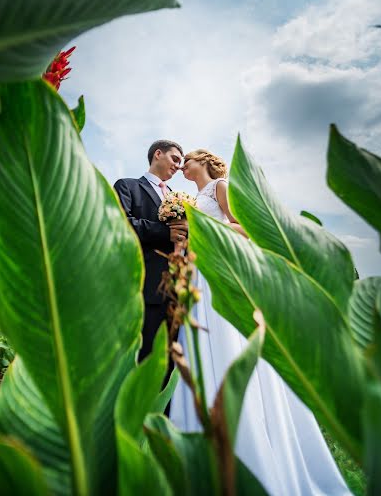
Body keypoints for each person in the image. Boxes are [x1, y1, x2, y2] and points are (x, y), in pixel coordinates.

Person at [170, 149, 350, 496]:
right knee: (199, 345)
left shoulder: (220, 186)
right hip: (198, 275)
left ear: (203, 161)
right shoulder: (191, 198)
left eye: (188, 159)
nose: (184, 166)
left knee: (227, 339)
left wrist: (205, 229)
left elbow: (244, 228)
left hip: (219, 271)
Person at [114, 140, 187, 408]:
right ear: (158, 154)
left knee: (170, 362)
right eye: (175, 159)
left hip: (178, 291)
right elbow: (120, 222)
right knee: (145, 359)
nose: (178, 167)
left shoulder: (177, 196)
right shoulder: (128, 186)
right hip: (145, 287)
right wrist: (163, 232)